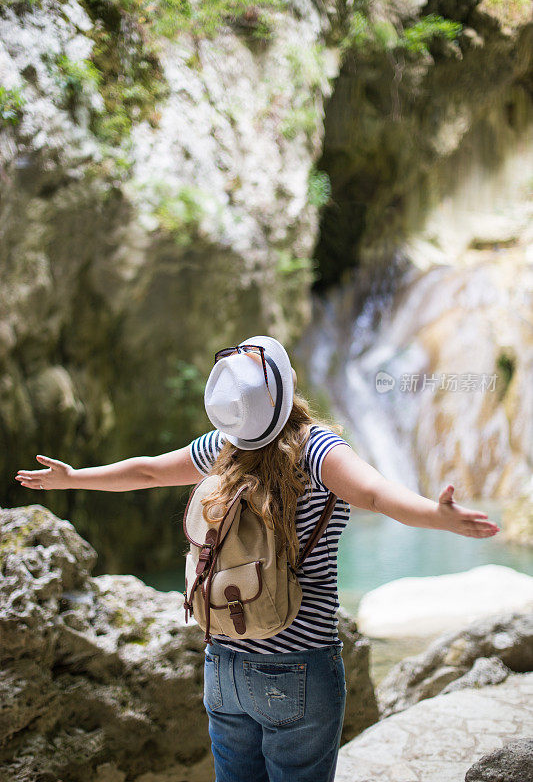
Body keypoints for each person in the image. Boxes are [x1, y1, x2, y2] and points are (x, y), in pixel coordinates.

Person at [14, 334, 500, 782]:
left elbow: (145, 472)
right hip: (298, 665)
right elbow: (376, 494)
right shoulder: (316, 450)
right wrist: (439, 516)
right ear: (288, 388)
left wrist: (73, 477)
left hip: (222, 661)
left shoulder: (222, 448)